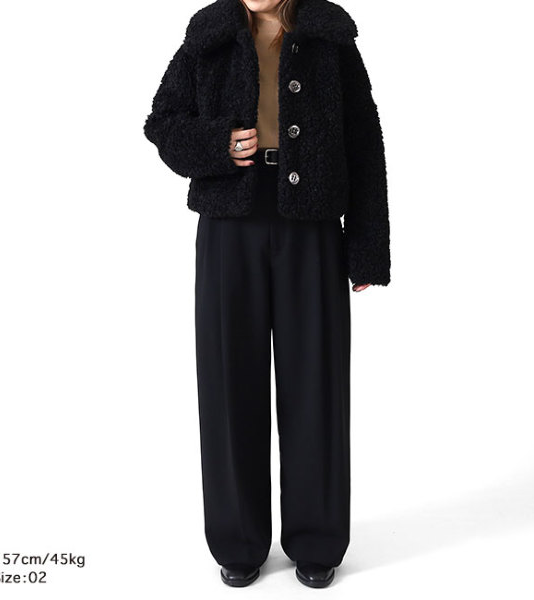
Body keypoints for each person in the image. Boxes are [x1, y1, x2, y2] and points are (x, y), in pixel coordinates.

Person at [143, 0, 390, 588]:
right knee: (230, 382)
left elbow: (365, 141)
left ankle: (317, 540)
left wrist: (366, 249)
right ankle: (238, 541)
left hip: (312, 224)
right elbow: (162, 121)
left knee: (316, 383)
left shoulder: (328, 34)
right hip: (230, 224)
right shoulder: (209, 34)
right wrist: (218, 144)